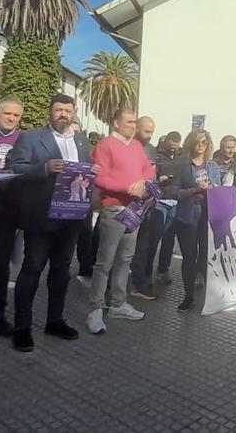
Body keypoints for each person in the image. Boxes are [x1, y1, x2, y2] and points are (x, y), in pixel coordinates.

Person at [9, 95, 94, 352]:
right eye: (58, 110)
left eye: (68, 111)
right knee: (32, 269)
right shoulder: (31, 137)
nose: (63, 115)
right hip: (41, 216)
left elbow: (84, 171)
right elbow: (14, 167)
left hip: (71, 216)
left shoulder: (81, 139)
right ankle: (22, 327)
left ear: (74, 113)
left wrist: (92, 171)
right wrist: (44, 167)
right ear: (50, 112)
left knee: (62, 270)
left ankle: (55, 320)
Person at [86, 107, 155, 333]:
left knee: (125, 259)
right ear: (116, 123)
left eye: (135, 122)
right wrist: (128, 187)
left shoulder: (136, 146)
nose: (133, 126)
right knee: (104, 262)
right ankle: (95, 309)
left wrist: (143, 183)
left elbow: (148, 171)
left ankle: (118, 303)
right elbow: (101, 178)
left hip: (134, 209)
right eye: (129, 122)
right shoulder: (105, 145)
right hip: (114, 208)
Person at [163, 130, 220, 311]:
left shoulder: (213, 167)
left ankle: (207, 294)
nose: (201, 145)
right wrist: (193, 191)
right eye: (197, 142)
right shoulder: (182, 166)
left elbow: (219, 190)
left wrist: (213, 189)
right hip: (187, 216)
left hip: (208, 217)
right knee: (189, 257)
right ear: (190, 144)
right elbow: (173, 191)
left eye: (204, 142)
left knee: (205, 255)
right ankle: (188, 296)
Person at [0, 97, 24, 337]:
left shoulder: (24, 140)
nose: (10, 118)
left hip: (6, 210)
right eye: (6, 113)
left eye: (16, 115)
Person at [129, 116, 163, 301]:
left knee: (144, 247)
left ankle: (139, 283)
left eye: (152, 132)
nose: (150, 136)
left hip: (148, 206)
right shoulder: (128, 147)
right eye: (146, 131)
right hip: (128, 204)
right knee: (122, 250)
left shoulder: (151, 149)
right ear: (137, 128)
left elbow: (153, 173)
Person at [155, 131, 183, 285]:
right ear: (166, 142)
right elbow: (151, 177)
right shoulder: (158, 155)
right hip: (160, 201)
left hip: (175, 201)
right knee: (153, 238)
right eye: (171, 145)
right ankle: (143, 271)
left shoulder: (182, 157)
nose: (173, 148)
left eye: (176, 145)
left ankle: (163, 270)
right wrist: (160, 179)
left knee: (169, 238)